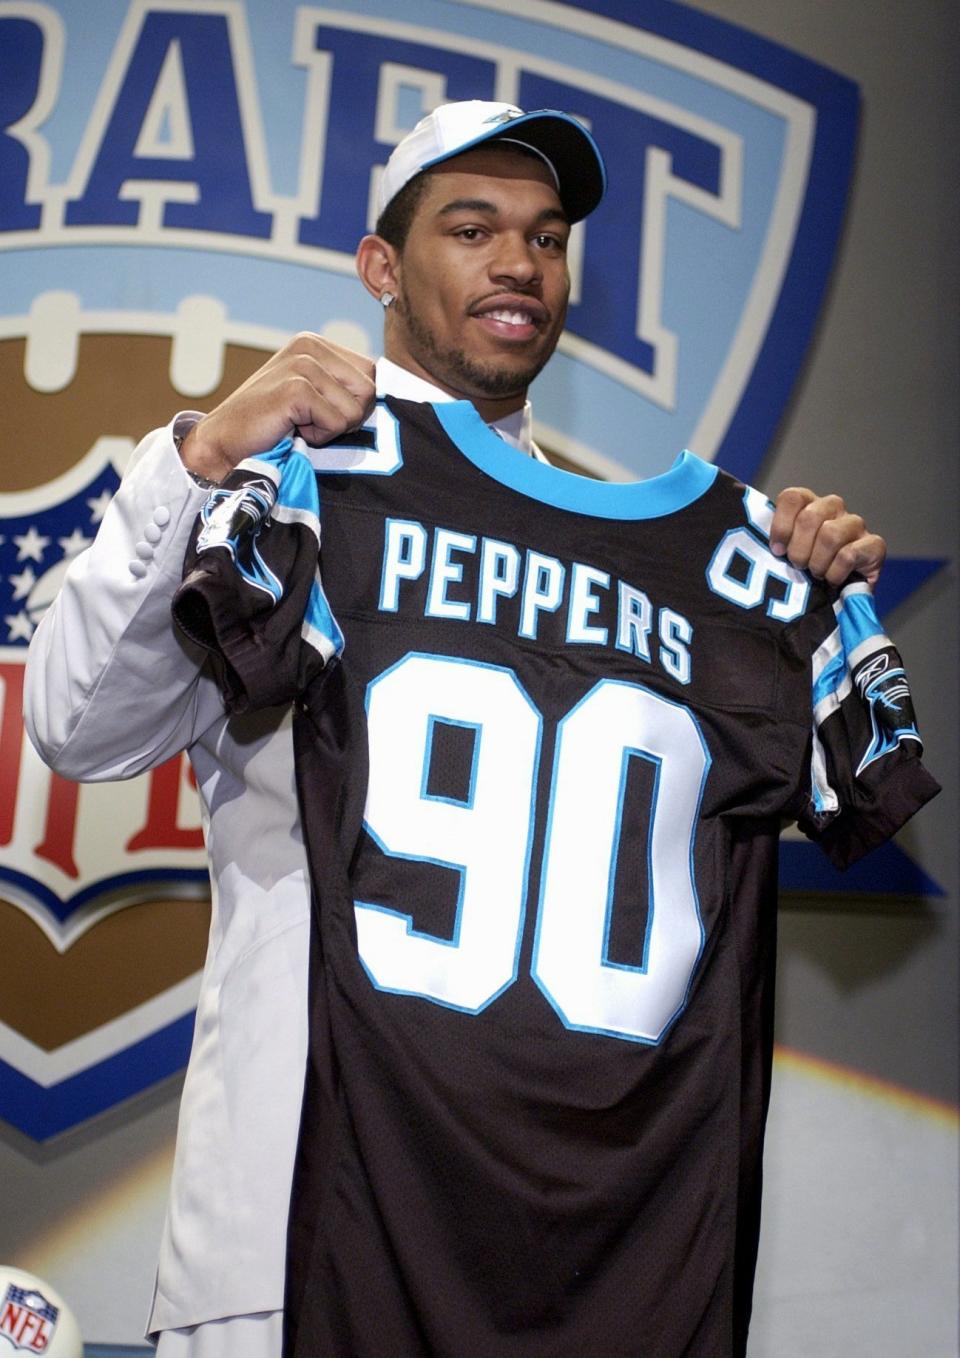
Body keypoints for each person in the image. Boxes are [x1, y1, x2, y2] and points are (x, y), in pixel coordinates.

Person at [23, 102, 934, 1358]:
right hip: (294, 1232)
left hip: (585, 1265)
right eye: (474, 228)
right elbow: (76, 723)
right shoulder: (288, 479)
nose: (521, 263)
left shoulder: (713, 563)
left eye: (548, 237)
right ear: (380, 267)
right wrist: (200, 455)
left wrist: (799, 584)